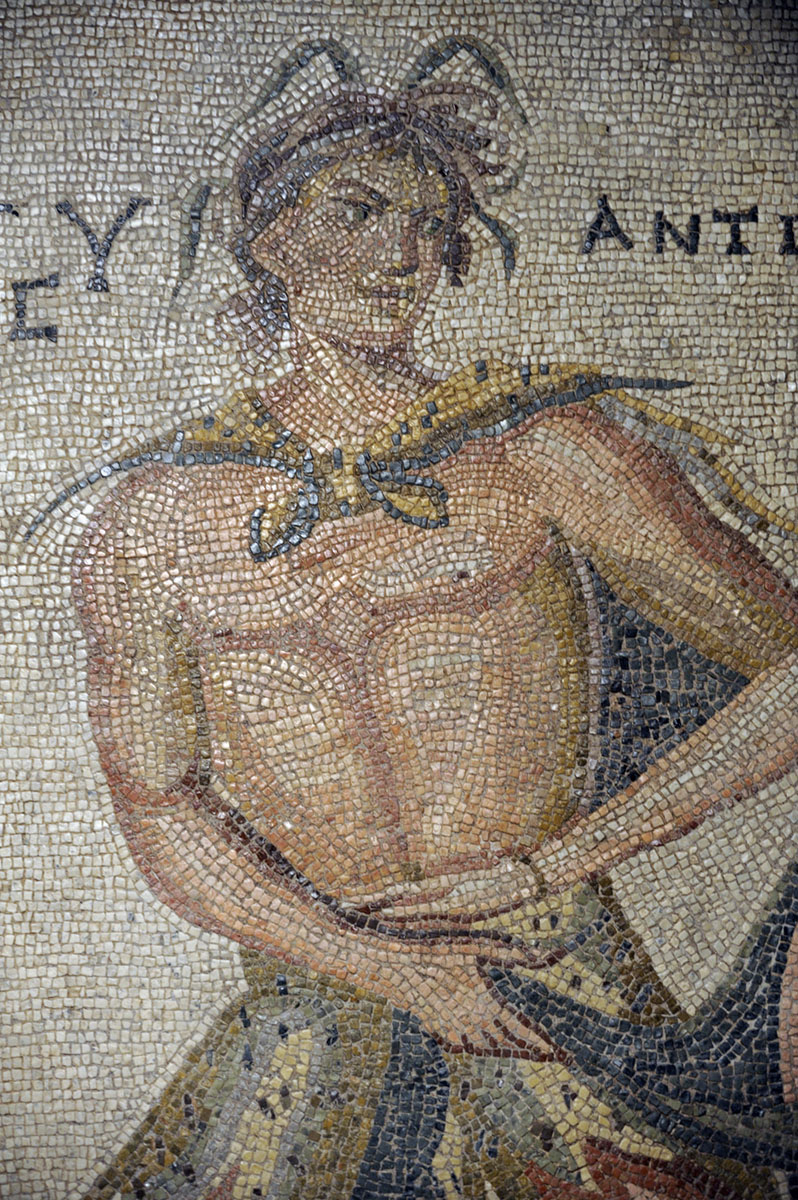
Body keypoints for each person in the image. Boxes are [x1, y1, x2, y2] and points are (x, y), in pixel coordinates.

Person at [61, 41, 798, 1200]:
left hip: (561, 997)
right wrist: (391, 971)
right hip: (307, 1026)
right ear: (272, 240)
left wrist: (559, 861)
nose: (401, 256)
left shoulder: (550, 452)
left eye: (428, 224)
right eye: (359, 213)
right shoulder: (149, 519)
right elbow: (163, 808)